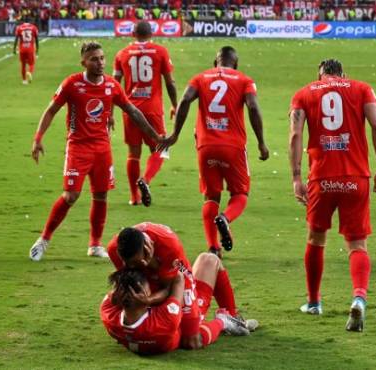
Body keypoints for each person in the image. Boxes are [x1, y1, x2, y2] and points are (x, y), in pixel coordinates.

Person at [29, 42, 161, 262]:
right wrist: (38, 138)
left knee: (101, 195)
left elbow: (132, 110)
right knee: (71, 195)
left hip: (102, 149)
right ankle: (44, 240)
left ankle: (95, 244)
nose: (100, 63)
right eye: (94, 59)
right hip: (78, 148)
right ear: (84, 62)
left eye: (102, 58)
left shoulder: (112, 85)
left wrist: (154, 135)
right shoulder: (72, 84)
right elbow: (51, 110)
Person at [288, 59, 376, 332]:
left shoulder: (304, 93)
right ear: (344, 74)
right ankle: (359, 298)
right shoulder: (361, 88)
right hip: (356, 178)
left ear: (319, 76)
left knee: (316, 239)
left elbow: (296, 136)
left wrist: (296, 177)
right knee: (357, 244)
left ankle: (314, 302)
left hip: (321, 179)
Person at [158, 46, 269, 258]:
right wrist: (261, 143)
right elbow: (253, 107)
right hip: (233, 147)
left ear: (214, 62)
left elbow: (184, 101)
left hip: (206, 146)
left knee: (211, 196)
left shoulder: (200, 78)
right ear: (235, 64)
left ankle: (213, 247)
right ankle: (225, 219)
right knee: (240, 193)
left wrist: (175, 134)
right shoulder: (243, 79)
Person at [106, 222, 255, 349]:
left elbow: (173, 283)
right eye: (127, 264)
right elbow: (127, 280)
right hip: (151, 281)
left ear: (147, 249)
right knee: (208, 259)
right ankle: (209, 263)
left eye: (137, 263)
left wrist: (149, 300)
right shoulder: (115, 249)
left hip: (179, 271)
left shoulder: (168, 245)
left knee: (191, 340)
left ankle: (226, 318)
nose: (131, 267)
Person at [100, 254, 252, 355]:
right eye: (149, 287)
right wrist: (151, 298)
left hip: (147, 334)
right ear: (143, 297)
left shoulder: (108, 315)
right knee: (209, 259)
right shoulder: (164, 320)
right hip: (179, 326)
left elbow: (115, 295)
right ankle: (225, 319)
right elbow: (178, 279)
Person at [113, 21, 178, 207]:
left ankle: (134, 197)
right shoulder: (160, 51)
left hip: (130, 108)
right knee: (160, 148)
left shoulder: (122, 54)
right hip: (153, 108)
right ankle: (146, 179)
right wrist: (175, 104)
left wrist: (109, 113)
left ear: (133, 34)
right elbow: (170, 82)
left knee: (133, 153)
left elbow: (114, 84)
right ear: (151, 34)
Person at [14, 19, 39, 85]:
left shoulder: (19, 27)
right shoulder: (33, 27)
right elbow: (36, 39)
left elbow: (16, 39)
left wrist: (14, 49)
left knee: (23, 64)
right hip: (30, 48)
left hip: (22, 48)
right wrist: (37, 50)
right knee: (31, 64)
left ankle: (24, 80)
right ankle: (29, 72)